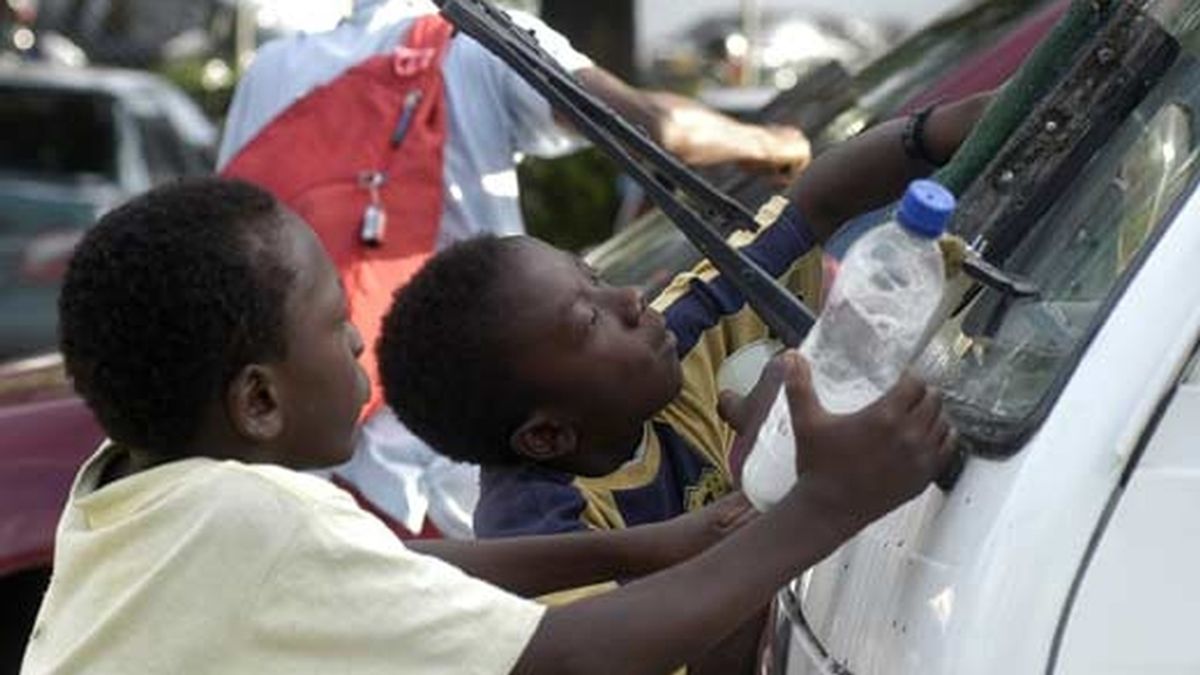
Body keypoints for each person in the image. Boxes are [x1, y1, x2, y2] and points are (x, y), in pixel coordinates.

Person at [23, 177, 952, 674]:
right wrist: (823, 504)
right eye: (330, 320)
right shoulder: (243, 520)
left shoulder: (134, 502)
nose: (356, 335)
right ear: (258, 402)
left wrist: (646, 546)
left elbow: (405, 572)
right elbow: (582, 657)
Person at [216, 0, 812, 537]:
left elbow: (248, 242)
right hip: (455, 478)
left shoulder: (271, 69)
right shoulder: (480, 39)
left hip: (319, 457)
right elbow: (653, 127)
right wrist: (778, 147)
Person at [376, 93, 989, 541]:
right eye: (589, 322)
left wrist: (932, 134)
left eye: (596, 277)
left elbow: (813, 205)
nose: (629, 300)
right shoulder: (542, 535)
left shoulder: (672, 341)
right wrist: (761, 475)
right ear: (548, 436)